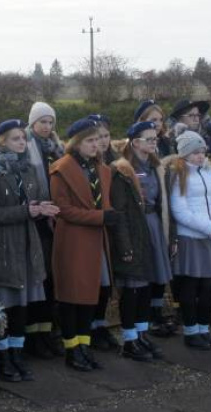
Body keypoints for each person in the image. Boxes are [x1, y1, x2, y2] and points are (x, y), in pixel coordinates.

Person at [0, 119, 52, 381]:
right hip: (3, 244)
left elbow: (35, 199)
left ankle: (17, 353)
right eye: (15, 139)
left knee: (22, 305)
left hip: (26, 241)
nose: (21, 142)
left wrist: (43, 208)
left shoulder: (27, 169)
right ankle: (1, 355)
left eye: (22, 138)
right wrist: (26, 211)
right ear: (1, 142)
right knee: (4, 304)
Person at [49, 117, 118, 371]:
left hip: (97, 239)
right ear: (76, 143)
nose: (96, 145)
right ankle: (72, 349)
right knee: (72, 296)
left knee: (92, 294)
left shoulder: (101, 168)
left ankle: (84, 346)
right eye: (89, 140)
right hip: (74, 240)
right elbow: (63, 209)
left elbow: (104, 201)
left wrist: (107, 214)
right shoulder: (62, 169)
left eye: (97, 140)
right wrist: (100, 216)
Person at [110, 120, 173, 360]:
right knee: (133, 287)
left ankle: (142, 333)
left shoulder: (156, 166)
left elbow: (164, 203)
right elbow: (121, 211)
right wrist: (124, 244)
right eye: (148, 139)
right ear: (135, 142)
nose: (154, 142)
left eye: (155, 138)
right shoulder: (123, 170)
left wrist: (170, 234)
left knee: (147, 285)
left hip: (154, 227)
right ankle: (129, 339)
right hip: (135, 229)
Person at [167, 130, 211, 350]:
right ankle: (191, 331)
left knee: (210, 286)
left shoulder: (210, 172)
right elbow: (180, 211)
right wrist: (210, 228)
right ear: (184, 154)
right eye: (195, 152)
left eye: (202, 151)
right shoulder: (178, 174)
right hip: (191, 237)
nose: (200, 156)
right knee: (190, 286)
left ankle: (204, 329)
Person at [22, 102, 66, 358]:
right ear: (33, 123)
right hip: (37, 220)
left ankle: (49, 332)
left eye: (51, 122)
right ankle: (34, 337)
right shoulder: (26, 146)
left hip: (55, 219)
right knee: (39, 278)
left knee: (52, 279)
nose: (47, 127)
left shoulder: (56, 148)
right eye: (42, 122)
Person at [87, 115, 119, 350]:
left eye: (106, 136)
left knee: (108, 283)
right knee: (96, 280)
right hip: (97, 224)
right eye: (97, 137)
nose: (103, 141)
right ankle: (92, 327)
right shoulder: (89, 165)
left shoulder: (116, 161)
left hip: (113, 225)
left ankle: (101, 323)